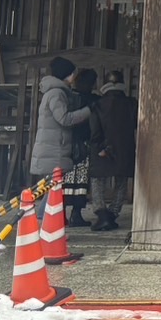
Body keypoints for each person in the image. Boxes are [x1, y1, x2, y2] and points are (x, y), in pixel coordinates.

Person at [30, 57, 91, 213]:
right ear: (67, 75)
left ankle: (45, 222)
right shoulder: (57, 93)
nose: (74, 77)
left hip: (53, 147)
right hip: (54, 148)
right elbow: (64, 118)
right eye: (72, 74)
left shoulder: (54, 92)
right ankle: (44, 221)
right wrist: (88, 111)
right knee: (53, 188)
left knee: (53, 187)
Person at [87, 72, 138, 231]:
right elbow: (136, 124)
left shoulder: (98, 104)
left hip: (103, 147)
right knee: (121, 180)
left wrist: (99, 147)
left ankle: (102, 214)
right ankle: (113, 213)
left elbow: (95, 130)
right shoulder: (132, 103)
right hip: (125, 147)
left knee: (98, 180)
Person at [64, 67, 99, 226]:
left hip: (67, 142)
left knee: (65, 180)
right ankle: (76, 214)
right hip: (84, 142)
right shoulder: (93, 100)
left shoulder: (68, 96)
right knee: (81, 181)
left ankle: (60, 214)